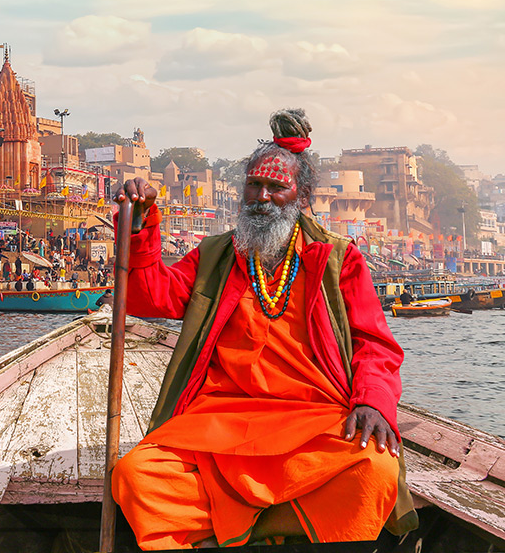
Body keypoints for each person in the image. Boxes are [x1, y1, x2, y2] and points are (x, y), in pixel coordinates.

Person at [110, 109, 413, 549]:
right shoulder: (216, 255)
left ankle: (241, 529)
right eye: (254, 185)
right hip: (217, 419)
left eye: (276, 187)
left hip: (312, 420)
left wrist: (373, 402)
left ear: (301, 196)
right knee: (136, 476)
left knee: (376, 469)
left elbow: (376, 345)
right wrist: (141, 225)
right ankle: (283, 522)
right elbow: (148, 297)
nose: (263, 197)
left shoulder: (336, 259)